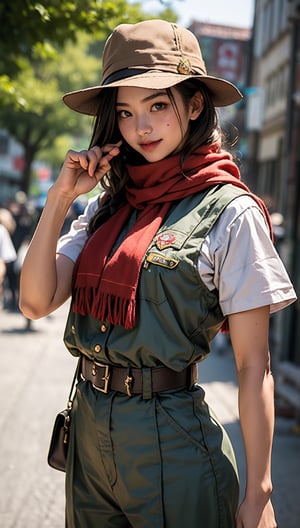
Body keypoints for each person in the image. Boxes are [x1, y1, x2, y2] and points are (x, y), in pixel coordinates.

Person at [19, 20, 296, 528]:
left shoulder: (230, 212)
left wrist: (259, 493)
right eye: (125, 112)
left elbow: (254, 363)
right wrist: (60, 198)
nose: (140, 127)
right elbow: (35, 302)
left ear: (193, 106)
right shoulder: (105, 207)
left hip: (172, 441)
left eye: (157, 106)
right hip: (87, 431)